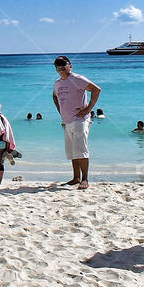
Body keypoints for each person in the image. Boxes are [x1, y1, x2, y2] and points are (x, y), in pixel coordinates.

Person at [52, 55, 101, 190]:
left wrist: (89, 108)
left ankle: (85, 179)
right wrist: (61, 111)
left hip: (80, 120)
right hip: (66, 121)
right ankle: (76, 178)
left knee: (81, 149)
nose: (60, 67)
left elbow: (96, 90)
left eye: (63, 64)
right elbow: (54, 96)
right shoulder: (57, 83)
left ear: (70, 65)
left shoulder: (77, 79)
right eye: (57, 65)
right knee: (72, 150)